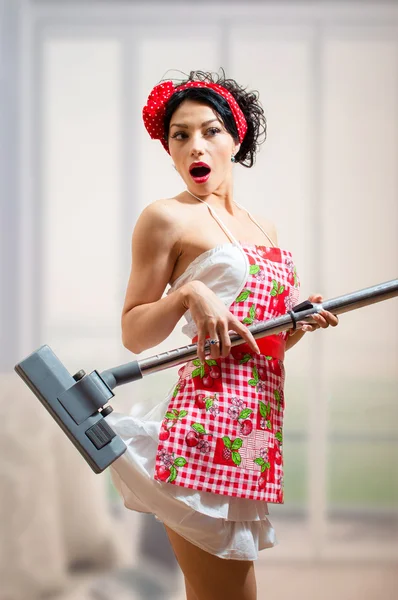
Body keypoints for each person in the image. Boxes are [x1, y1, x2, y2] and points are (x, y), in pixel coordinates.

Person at [106, 70, 338, 600]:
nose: (195, 146)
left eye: (210, 131)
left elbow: (263, 346)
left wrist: (296, 322)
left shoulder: (264, 228)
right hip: (205, 428)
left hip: (254, 433)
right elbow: (133, 333)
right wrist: (189, 295)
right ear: (168, 148)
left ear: (236, 138)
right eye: (180, 135)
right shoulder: (165, 218)